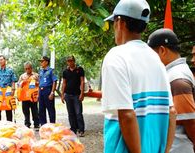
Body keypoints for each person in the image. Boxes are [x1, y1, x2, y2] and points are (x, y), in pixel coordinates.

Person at [102, 0, 176, 153]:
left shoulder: (117, 56)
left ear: (120, 22)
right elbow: (172, 112)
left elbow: (127, 115)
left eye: (114, 22)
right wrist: (166, 150)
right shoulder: (155, 58)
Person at [148, 28, 195, 153]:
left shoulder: (177, 78)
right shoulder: (172, 74)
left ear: (162, 50)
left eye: (152, 55)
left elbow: (190, 121)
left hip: (179, 147)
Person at [61, 55, 85, 137]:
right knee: (70, 113)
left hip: (77, 95)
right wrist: (62, 94)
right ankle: (73, 129)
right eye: (68, 61)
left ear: (74, 61)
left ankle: (81, 130)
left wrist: (82, 93)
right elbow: (64, 83)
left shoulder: (79, 69)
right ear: (67, 62)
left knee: (78, 113)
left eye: (71, 60)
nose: (70, 62)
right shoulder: (65, 71)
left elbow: (82, 81)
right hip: (68, 95)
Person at [0, 55, 17, 121]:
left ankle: (9, 124)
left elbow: (13, 80)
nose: (0, 61)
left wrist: (13, 89)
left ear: (5, 60)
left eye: (2, 59)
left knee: (8, 107)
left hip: (8, 91)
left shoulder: (10, 70)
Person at [18, 61, 39, 129]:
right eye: (26, 68)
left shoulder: (36, 75)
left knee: (35, 110)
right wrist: (21, 83)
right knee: (25, 111)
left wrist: (36, 83)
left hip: (33, 97)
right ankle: (27, 123)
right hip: (25, 97)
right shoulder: (22, 76)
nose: (27, 70)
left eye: (29, 68)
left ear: (31, 68)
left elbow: (40, 83)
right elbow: (18, 85)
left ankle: (36, 123)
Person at [38, 56, 57, 126]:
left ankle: (52, 125)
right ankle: (43, 125)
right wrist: (38, 93)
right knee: (41, 109)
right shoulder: (40, 71)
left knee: (50, 108)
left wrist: (52, 92)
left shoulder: (51, 71)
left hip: (48, 90)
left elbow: (54, 81)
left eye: (42, 61)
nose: (41, 63)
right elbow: (39, 82)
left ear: (46, 62)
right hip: (41, 90)